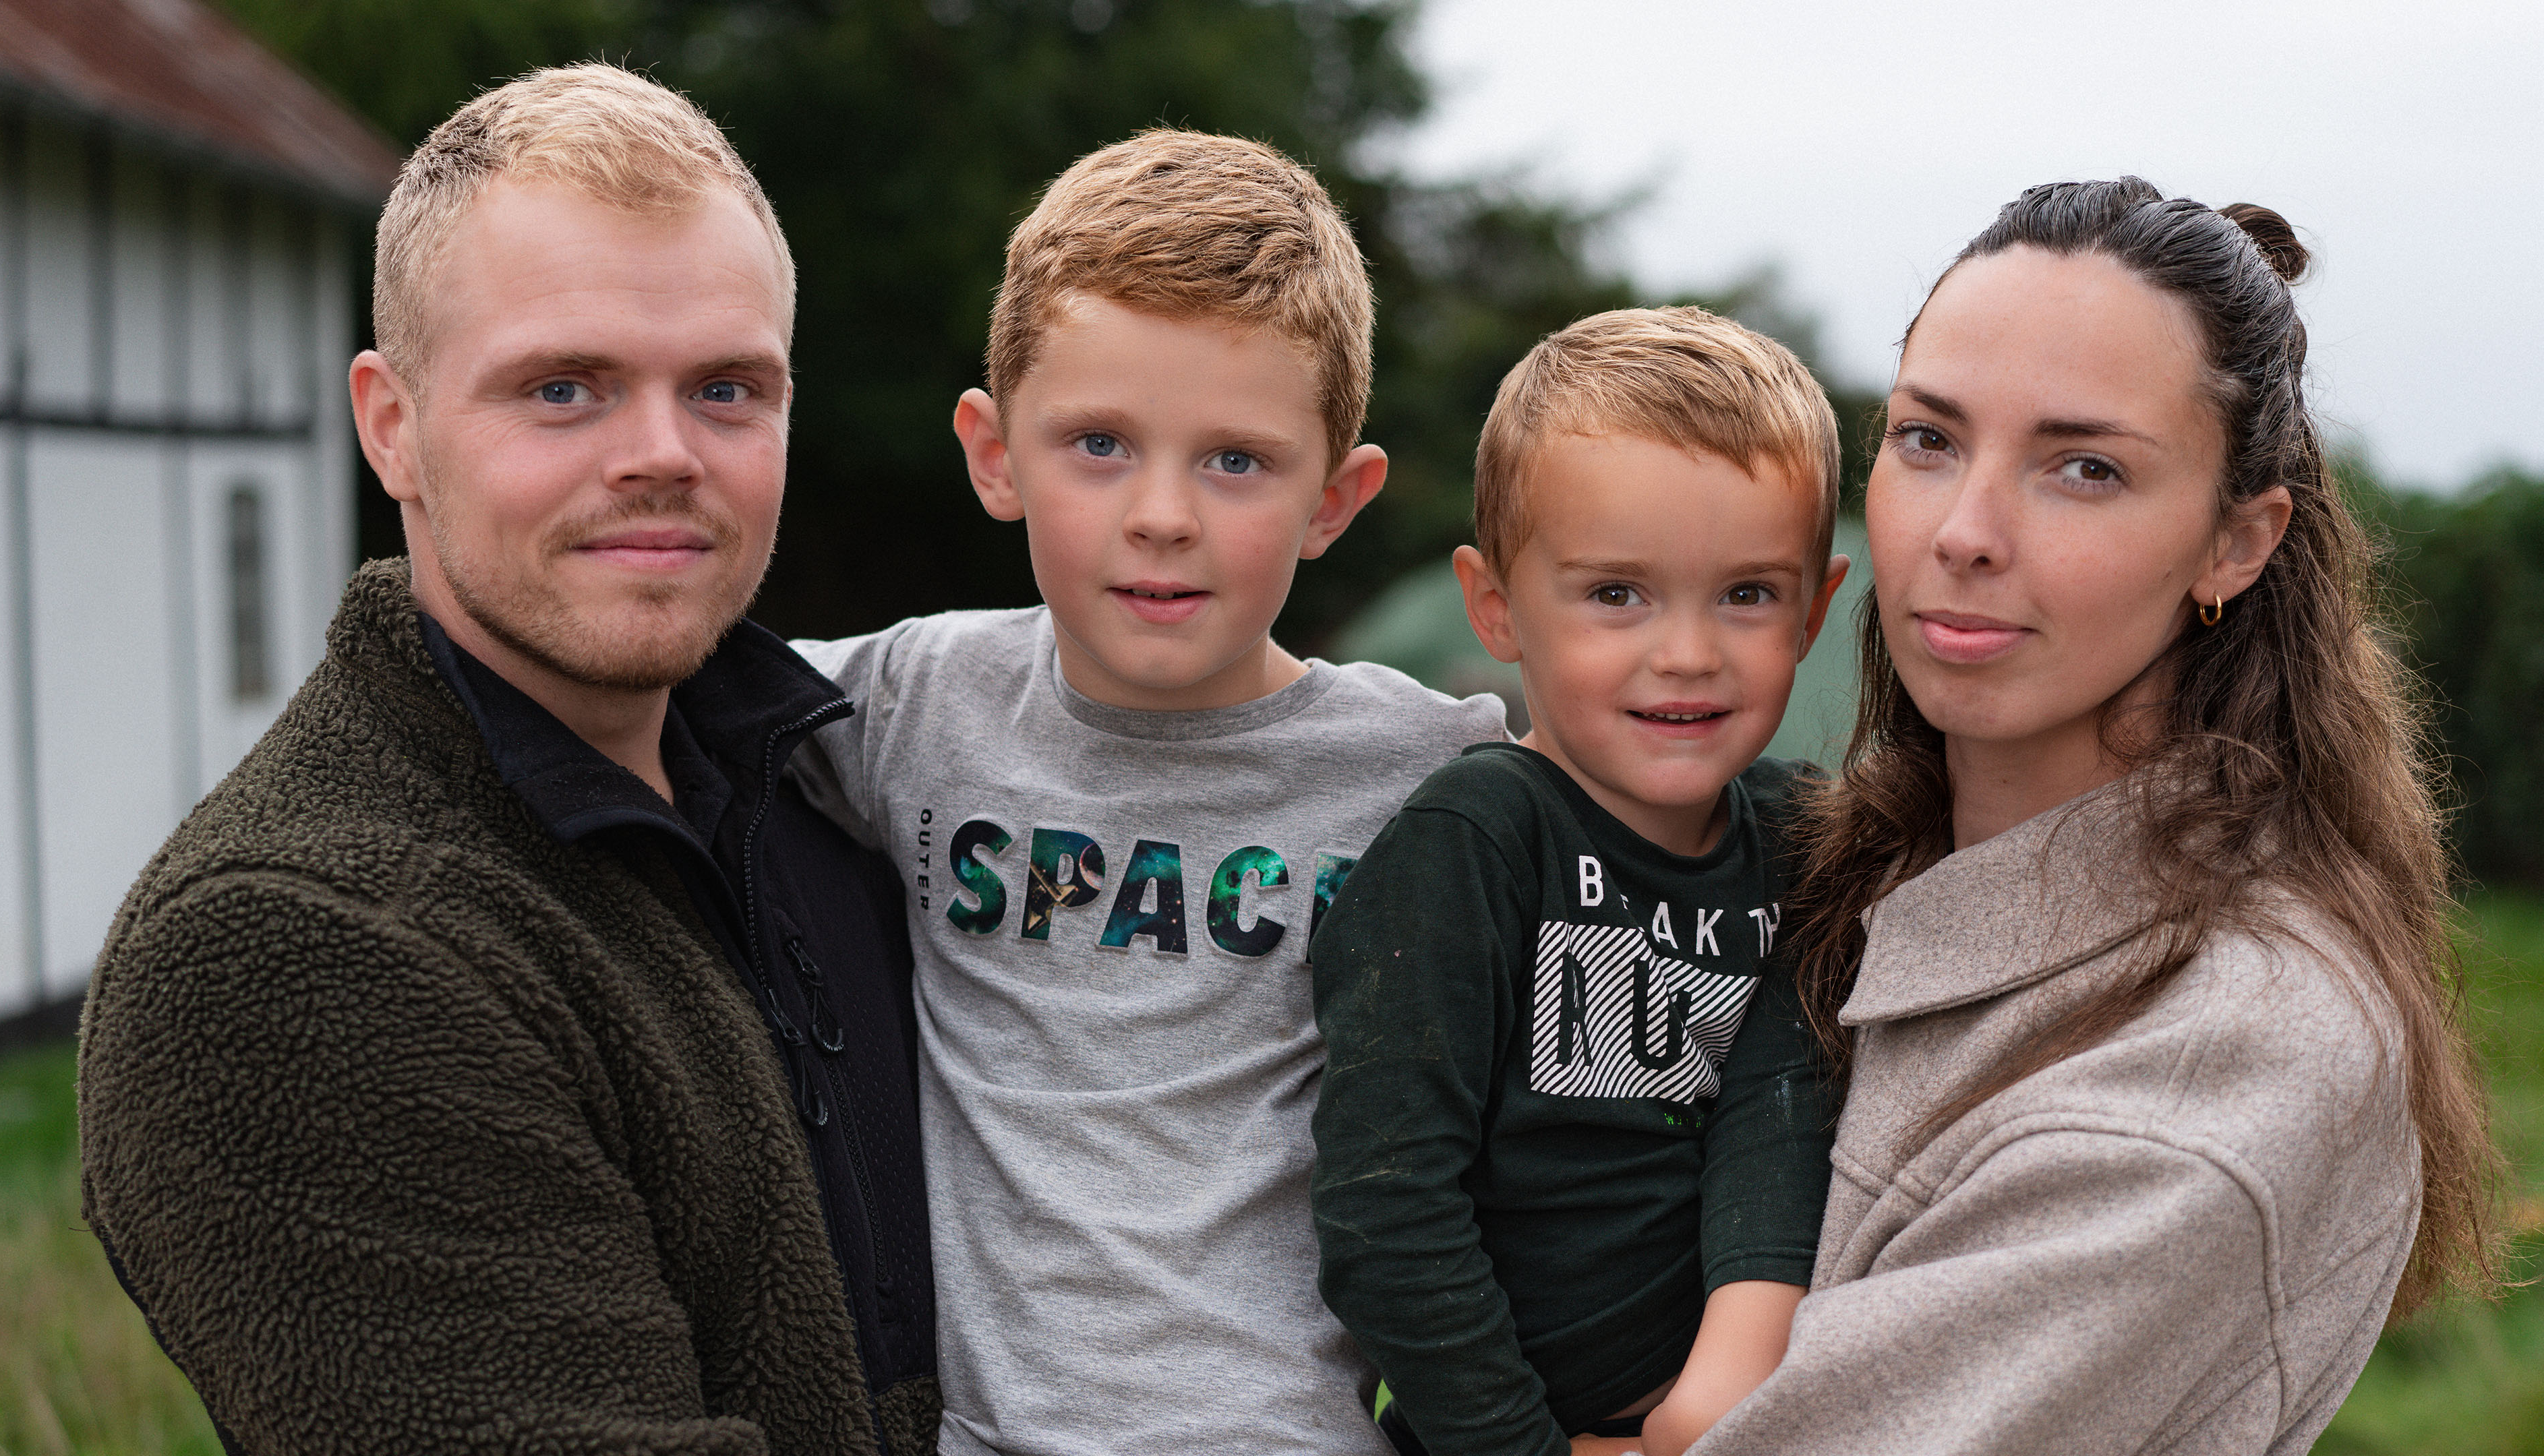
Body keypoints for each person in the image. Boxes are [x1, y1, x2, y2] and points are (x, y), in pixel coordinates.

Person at [76, 65, 938, 1453]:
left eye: (726, 386)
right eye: (563, 388)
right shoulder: (288, 952)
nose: (663, 454)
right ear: (392, 426)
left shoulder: (848, 789)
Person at [1691, 179, 2503, 1455]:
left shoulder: (2211, 1074)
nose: (1963, 532)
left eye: (2085, 468)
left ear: (2237, 545)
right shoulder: (1815, 864)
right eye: (1928, 439)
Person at [783, 129, 1510, 1455]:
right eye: (1100, 445)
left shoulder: (1437, 771)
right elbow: (635, 692)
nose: (1163, 514)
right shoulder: (911, 704)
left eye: (1236, 461)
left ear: (1335, 500)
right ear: (995, 455)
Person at [1308, 307, 1852, 1456]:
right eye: (1618, 594)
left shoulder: (1802, 841)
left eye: (1748, 594)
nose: (1689, 652)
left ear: (1815, 607)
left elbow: (1783, 1126)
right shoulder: (1477, 841)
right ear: (1496, 606)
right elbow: (1389, 1205)